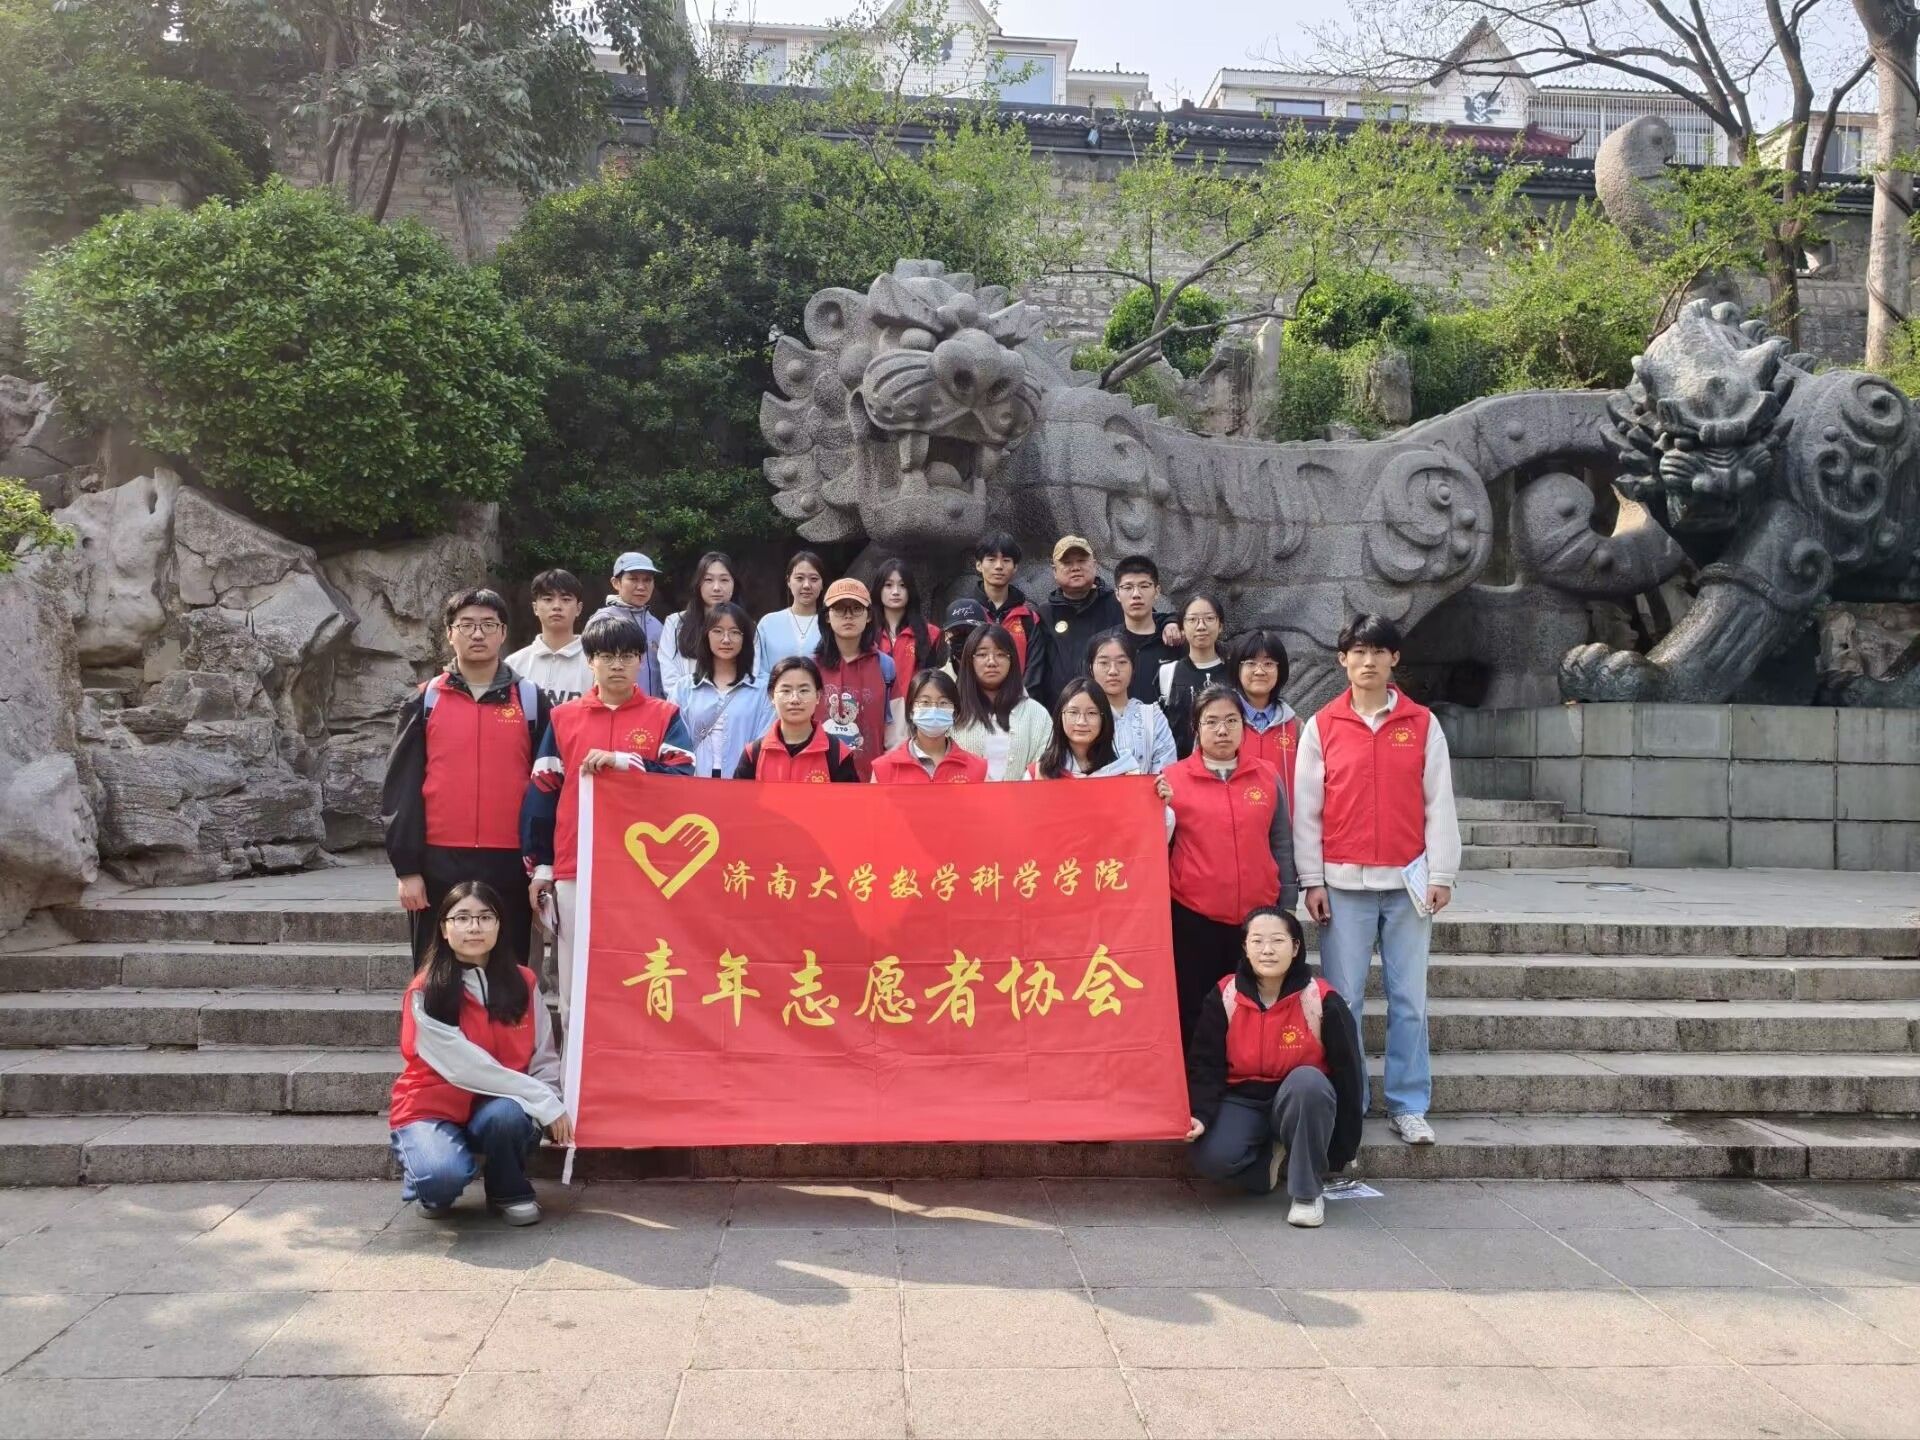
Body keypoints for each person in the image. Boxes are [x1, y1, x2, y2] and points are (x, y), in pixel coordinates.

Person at [1294, 613, 1461, 1148]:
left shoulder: (1422, 724)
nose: (1368, 661)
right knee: (1343, 1001)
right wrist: (1311, 880)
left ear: (1394, 659)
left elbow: (1439, 804)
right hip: (1343, 885)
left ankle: (1408, 1104)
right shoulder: (1322, 726)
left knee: (1408, 998)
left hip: (1408, 882)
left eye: (1378, 652)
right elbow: (1307, 812)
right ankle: (1352, 1100)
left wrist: (1442, 872)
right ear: (1342, 659)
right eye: (1358, 652)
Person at [524, 613, 696, 1025]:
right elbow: (543, 792)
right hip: (575, 863)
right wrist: (542, 865)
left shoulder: (665, 714)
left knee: (643, 966)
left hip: (645, 868)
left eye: (627, 656)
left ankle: (637, 1062)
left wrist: (625, 762)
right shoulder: (563, 718)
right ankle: (574, 1065)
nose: (617, 665)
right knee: (575, 976)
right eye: (606, 656)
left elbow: (684, 779)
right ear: (590, 661)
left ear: (641, 660)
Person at [383, 587, 552, 970]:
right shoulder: (425, 700)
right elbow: (401, 788)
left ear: (503, 632)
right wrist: (407, 868)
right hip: (439, 858)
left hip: (511, 858)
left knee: (507, 968)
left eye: (488, 625)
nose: (478, 634)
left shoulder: (530, 700)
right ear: (449, 633)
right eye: (467, 625)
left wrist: (543, 862)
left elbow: (547, 787)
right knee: (437, 971)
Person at [388, 881, 570, 1225]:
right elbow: (465, 1068)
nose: (474, 927)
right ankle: (433, 1171)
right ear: (444, 929)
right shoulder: (426, 990)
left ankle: (508, 1190)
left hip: (498, 1107)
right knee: (440, 1179)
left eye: (485, 917)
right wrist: (544, 1102)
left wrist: (550, 1100)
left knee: (507, 1116)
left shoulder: (524, 982)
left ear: (499, 926)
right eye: (462, 918)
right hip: (431, 1108)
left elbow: (543, 1056)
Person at [1185, 906, 1364, 1228]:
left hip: (1300, 1097)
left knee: (1309, 1083)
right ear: (1245, 947)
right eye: (1257, 941)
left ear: (1295, 947)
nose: (1267, 950)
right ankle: (1268, 1162)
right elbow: (1205, 1064)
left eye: (1278, 940)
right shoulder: (1225, 994)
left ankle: (1307, 1194)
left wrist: (1344, 1144)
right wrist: (1201, 1113)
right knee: (1211, 1159)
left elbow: (1349, 1074)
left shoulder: (1321, 998)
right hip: (1242, 1098)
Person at [1161, 684, 1298, 1046]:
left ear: (1243, 726)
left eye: (1231, 721)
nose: (1222, 730)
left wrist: (1287, 901)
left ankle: (1250, 1073)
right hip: (1194, 916)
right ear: (1196, 727)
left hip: (1258, 917)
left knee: (1254, 1004)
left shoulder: (1267, 775)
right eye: (1211, 722)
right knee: (1197, 1006)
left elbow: (1281, 841)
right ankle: (1199, 1079)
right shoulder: (1172, 779)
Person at [670, 600, 773, 779]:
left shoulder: (763, 690)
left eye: (735, 632)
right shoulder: (684, 688)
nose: (726, 639)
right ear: (706, 636)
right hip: (693, 783)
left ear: (745, 639)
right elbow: (674, 741)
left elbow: (766, 742)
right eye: (717, 631)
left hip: (745, 784)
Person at [813, 577, 902, 778]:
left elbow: (897, 733)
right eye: (839, 608)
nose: (848, 615)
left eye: (856, 608)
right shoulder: (811, 668)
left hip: (871, 779)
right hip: (818, 779)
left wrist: (884, 775)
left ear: (868, 616)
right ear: (827, 616)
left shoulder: (885, 666)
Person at [734, 656, 863, 781]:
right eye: (786, 691)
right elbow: (740, 796)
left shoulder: (838, 753)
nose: (795, 699)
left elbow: (849, 796)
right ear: (772, 696)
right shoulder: (753, 754)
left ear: (818, 696)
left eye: (804, 690)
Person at [951, 623, 1051, 781]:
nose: (991, 662)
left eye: (1000, 654)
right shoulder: (953, 711)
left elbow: (1045, 765)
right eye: (982, 654)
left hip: (1024, 796)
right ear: (969, 660)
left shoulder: (1037, 714)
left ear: (1012, 660)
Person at [1229, 628, 1302, 814]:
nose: (1259, 671)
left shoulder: (1296, 727)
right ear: (1238, 668)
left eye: (1268, 663)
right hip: (1233, 826)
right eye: (1251, 663)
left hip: (1285, 828)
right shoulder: (1220, 723)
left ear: (1280, 670)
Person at [870, 670, 988, 783]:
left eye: (943, 703)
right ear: (911, 710)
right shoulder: (883, 769)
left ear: (954, 713)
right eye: (925, 702)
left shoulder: (978, 769)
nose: (934, 709)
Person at [1088, 630, 1177, 775]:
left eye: (1122, 662)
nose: (1113, 671)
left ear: (1133, 667)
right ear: (1091, 668)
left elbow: (1166, 771)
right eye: (1103, 663)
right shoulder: (1080, 717)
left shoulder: (1152, 717)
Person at [506, 569, 592, 705]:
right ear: (535, 608)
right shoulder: (514, 664)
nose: (556, 606)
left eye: (566, 599)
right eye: (548, 599)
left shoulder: (595, 664)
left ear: (578, 609)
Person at [1161, 592, 1230, 758]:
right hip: (1180, 767)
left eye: (1209, 618)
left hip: (1228, 765)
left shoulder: (1234, 670)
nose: (1201, 626)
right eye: (1192, 620)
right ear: (1182, 628)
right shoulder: (1168, 672)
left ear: (1220, 625)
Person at [658, 551, 736, 695]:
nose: (716, 587)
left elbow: (752, 673)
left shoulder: (746, 626)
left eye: (724, 580)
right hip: (684, 705)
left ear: (734, 584)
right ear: (698, 583)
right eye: (708, 580)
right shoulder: (675, 623)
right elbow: (670, 678)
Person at [588, 551, 665, 698]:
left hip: (653, 708)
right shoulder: (603, 621)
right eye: (633, 579)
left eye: (647, 580)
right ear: (616, 583)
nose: (641, 586)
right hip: (615, 707)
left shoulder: (656, 625)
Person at [966, 532, 1044, 672]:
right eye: (991, 559)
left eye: (1006, 560)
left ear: (1015, 567)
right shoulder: (965, 613)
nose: (999, 566)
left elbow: (1035, 670)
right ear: (979, 565)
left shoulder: (1029, 616)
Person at [874, 557, 945, 703]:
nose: (895, 592)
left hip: (914, 710)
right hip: (873, 710)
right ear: (878, 590)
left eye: (902, 585)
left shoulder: (931, 633)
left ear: (910, 590)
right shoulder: (865, 633)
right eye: (888, 585)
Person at [1028, 678, 1132, 778]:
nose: (1081, 721)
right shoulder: (1039, 773)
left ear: (1104, 718)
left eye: (1091, 713)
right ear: (1060, 716)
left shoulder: (1125, 771)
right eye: (1073, 712)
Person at [1114, 555, 1181, 703]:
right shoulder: (1106, 644)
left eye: (1144, 586)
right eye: (1128, 587)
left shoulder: (1176, 641)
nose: (1136, 594)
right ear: (1117, 594)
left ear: (1157, 591)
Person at [756, 551, 828, 667]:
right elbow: (757, 668)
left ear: (822, 584)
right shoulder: (768, 623)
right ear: (788, 581)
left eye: (814, 579)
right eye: (799, 578)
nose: (806, 585)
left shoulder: (830, 624)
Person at [941, 598, 990, 678]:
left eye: (972, 631)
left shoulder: (998, 677)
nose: (965, 637)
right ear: (946, 636)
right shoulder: (937, 681)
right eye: (957, 631)